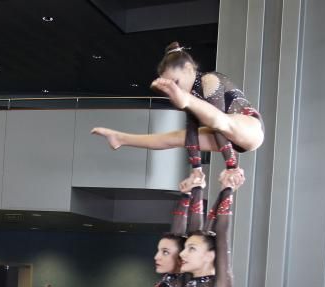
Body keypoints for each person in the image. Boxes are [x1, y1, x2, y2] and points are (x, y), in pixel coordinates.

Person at [91, 42, 259, 190]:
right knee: (176, 137)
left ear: (188, 68)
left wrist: (232, 166)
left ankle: (186, 102)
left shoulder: (209, 80)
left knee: (220, 121)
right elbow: (192, 133)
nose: (175, 89)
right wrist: (196, 170)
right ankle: (121, 138)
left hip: (249, 127)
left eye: (176, 83)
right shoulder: (191, 93)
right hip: (227, 136)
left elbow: (219, 123)